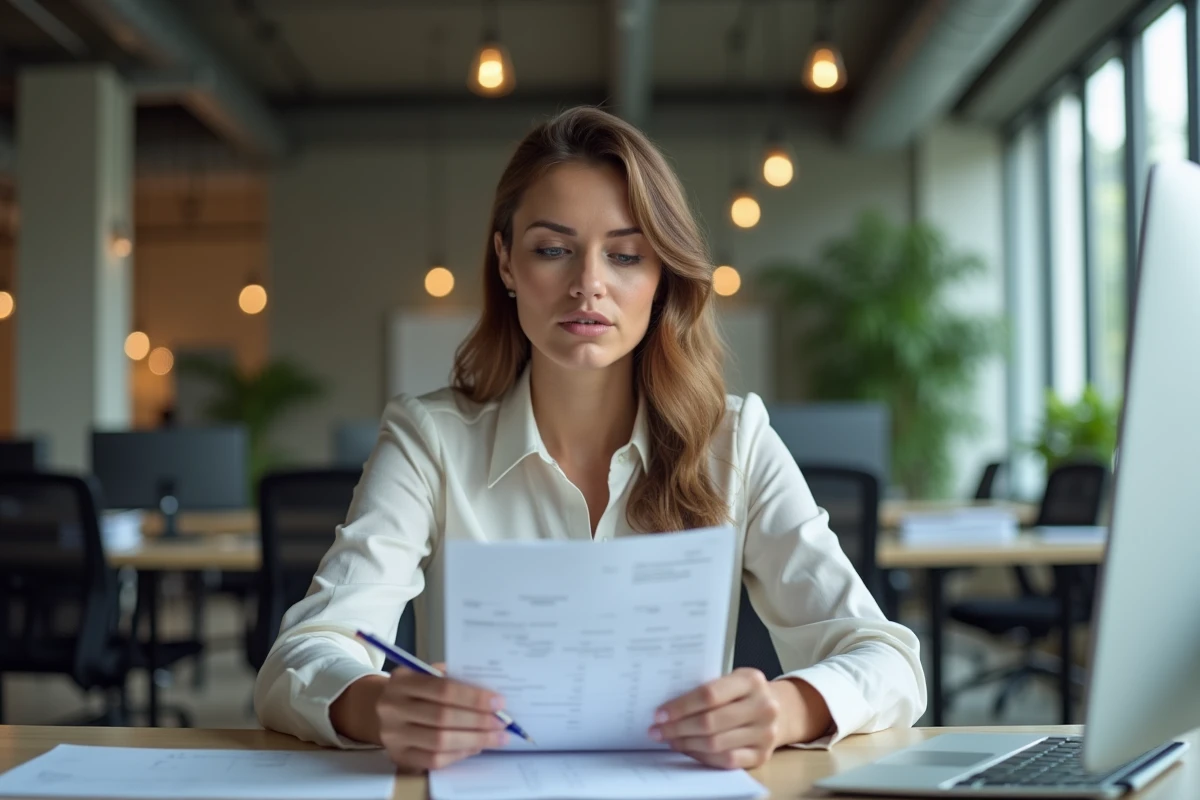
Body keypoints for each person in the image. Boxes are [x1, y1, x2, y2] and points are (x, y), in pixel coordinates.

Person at [254, 106, 926, 772]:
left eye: (626, 255)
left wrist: (786, 709)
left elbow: (889, 660)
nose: (588, 286)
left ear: (662, 277)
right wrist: (376, 704)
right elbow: (300, 656)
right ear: (507, 264)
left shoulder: (735, 440)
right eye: (552, 250)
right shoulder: (429, 438)